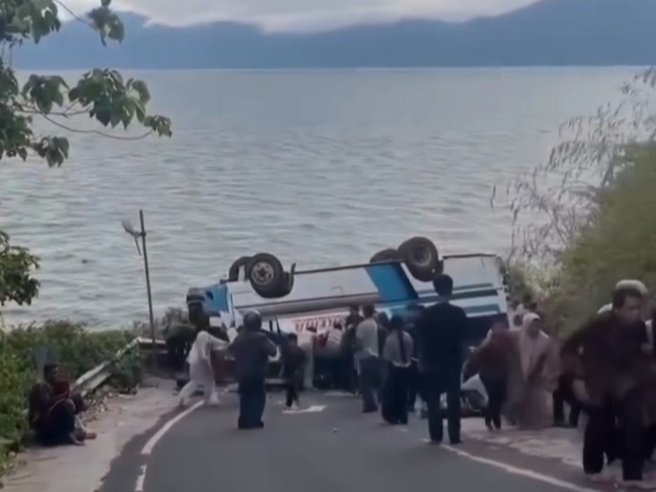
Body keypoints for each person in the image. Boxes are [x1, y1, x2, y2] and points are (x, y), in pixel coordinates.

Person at [562, 284, 653, 488]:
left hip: (625, 381)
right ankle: (593, 468)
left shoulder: (638, 327)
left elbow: (638, 354)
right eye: (631, 308)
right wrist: (577, 378)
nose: (636, 313)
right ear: (617, 308)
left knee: (634, 421)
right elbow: (569, 348)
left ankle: (633, 474)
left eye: (638, 307)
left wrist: (645, 355)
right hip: (597, 381)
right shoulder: (598, 325)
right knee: (600, 423)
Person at [416, 274, 469, 445]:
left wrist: (421, 363)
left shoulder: (426, 314)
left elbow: (421, 341)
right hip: (453, 363)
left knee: (433, 400)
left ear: (435, 289)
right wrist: (465, 360)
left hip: (431, 363)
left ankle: (435, 435)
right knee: (453, 400)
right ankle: (454, 435)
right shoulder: (458, 313)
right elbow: (463, 340)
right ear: (451, 289)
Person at [229, 310, 277, 430]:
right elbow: (273, 351)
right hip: (256, 372)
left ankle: (243, 420)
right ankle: (254, 420)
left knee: (245, 397)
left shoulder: (239, 337)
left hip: (241, 372)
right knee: (258, 397)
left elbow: (230, 350)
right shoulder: (260, 337)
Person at [28, 364, 96, 446]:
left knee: (76, 397)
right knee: (67, 404)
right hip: (43, 422)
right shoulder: (41, 387)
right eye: (54, 373)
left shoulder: (53, 385)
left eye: (57, 373)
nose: (56, 375)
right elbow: (46, 404)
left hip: (51, 419)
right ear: (47, 374)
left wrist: (69, 394)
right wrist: (64, 396)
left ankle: (78, 429)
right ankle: (71, 435)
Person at [511, 313, 557, 430]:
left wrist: (549, 373)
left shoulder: (545, 340)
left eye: (537, 324)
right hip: (520, 372)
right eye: (532, 324)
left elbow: (551, 358)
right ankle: (523, 422)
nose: (535, 327)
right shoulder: (517, 338)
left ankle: (540, 421)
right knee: (522, 398)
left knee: (537, 398)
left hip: (538, 373)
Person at [465, 320, 513, 431]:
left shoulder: (505, 344)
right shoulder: (487, 345)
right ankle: (494, 420)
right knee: (494, 398)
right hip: (489, 376)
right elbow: (477, 358)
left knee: (499, 398)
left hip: (500, 375)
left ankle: (491, 417)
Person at [178, 315, 228, 408]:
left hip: (197, 362)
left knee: (207, 381)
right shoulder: (202, 335)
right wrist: (207, 365)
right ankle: (206, 399)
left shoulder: (206, 335)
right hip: (198, 362)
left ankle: (206, 399)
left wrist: (228, 344)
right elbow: (202, 353)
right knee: (201, 381)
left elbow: (217, 342)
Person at [381, 314, 414, 425]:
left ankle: (393, 415)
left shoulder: (389, 339)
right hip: (407, 367)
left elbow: (387, 357)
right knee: (404, 393)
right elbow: (411, 352)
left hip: (394, 368)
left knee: (392, 393)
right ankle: (403, 415)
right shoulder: (408, 337)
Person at [356, 304, 384, 413]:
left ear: (364, 312)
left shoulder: (362, 325)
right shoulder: (376, 324)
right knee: (378, 381)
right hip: (376, 355)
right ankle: (380, 401)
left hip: (365, 355)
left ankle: (370, 404)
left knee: (365, 383)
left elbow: (359, 342)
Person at [282, 333, 306, 409]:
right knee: (291, 386)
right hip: (292, 371)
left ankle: (290, 402)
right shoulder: (297, 350)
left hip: (294, 371)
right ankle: (294, 401)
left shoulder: (296, 350)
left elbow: (303, 361)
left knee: (291, 386)